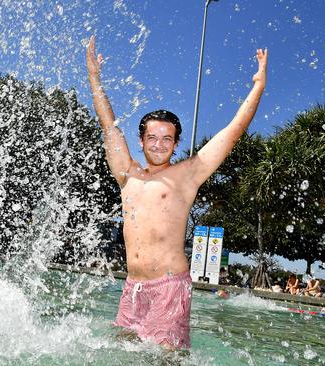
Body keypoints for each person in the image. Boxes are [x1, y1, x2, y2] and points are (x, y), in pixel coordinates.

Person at [85, 35, 268, 349]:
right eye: (152, 138)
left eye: (167, 139)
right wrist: (94, 78)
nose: (159, 144)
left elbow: (232, 132)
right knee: (122, 352)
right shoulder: (127, 175)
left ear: (176, 143)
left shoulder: (187, 175)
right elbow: (108, 124)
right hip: (132, 288)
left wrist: (258, 87)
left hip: (169, 287)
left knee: (167, 358)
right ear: (140, 141)